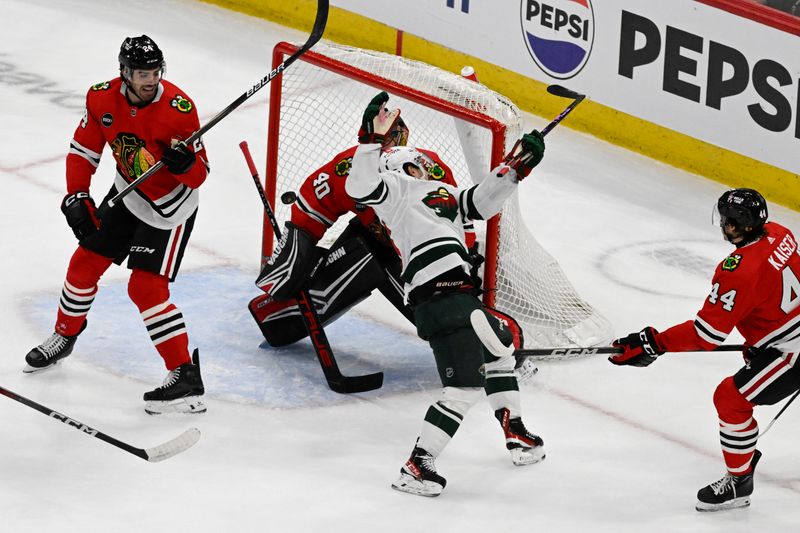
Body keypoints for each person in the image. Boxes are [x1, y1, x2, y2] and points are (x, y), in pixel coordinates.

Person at [344, 92, 547, 497]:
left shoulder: (445, 197)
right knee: (464, 388)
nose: (428, 166)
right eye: (420, 163)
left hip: (459, 295)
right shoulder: (397, 191)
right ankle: (418, 465)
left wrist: (515, 167)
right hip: (438, 295)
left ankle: (515, 431)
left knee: (500, 352)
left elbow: (482, 201)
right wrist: (370, 140)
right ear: (402, 167)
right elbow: (360, 186)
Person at [252, 93, 535, 381]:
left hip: (412, 258)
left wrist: (459, 270)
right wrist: (296, 249)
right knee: (285, 318)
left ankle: (481, 335)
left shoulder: (428, 170)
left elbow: (459, 219)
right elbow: (315, 202)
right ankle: (283, 313)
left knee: (446, 321)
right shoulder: (351, 167)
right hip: (370, 242)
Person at [23, 35, 210, 415]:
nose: (150, 79)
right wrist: (77, 194)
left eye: (155, 71)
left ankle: (185, 375)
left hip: (169, 208)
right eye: (142, 73)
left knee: (145, 288)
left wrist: (185, 166)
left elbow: (201, 173)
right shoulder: (101, 98)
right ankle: (65, 336)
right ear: (124, 73)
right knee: (83, 265)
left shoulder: (179, 108)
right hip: (128, 192)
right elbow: (84, 150)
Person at [609, 188, 800, 511]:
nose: (722, 224)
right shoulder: (782, 234)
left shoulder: (738, 271)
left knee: (731, 399)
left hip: (791, 351)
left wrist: (655, 342)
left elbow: (706, 335)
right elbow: (772, 291)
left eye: (726, 219)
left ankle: (739, 483)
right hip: (786, 336)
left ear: (737, 226)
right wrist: (759, 341)